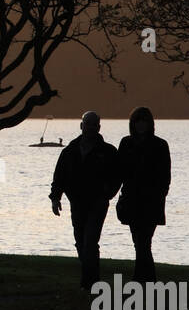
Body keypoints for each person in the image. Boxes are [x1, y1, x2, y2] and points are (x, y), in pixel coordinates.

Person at [50, 111, 121, 289]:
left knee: (90, 240)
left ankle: (90, 282)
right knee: (80, 241)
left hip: (98, 203)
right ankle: (91, 276)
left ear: (99, 127)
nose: (90, 127)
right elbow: (59, 177)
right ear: (81, 126)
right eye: (87, 124)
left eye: (94, 124)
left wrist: (108, 193)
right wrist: (55, 198)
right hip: (76, 202)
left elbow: (117, 176)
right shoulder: (69, 151)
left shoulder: (109, 151)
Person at [116, 106, 171, 283]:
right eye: (137, 121)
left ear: (150, 124)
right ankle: (146, 279)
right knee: (139, 242)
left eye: (144, 121)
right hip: (131, 201)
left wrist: (159, 196)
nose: (141, 125)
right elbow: (118, 172)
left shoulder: (160, 145)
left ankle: (142, 279)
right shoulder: (126, 143)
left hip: (151, 202)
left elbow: (165, 177)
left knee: (143, 241)